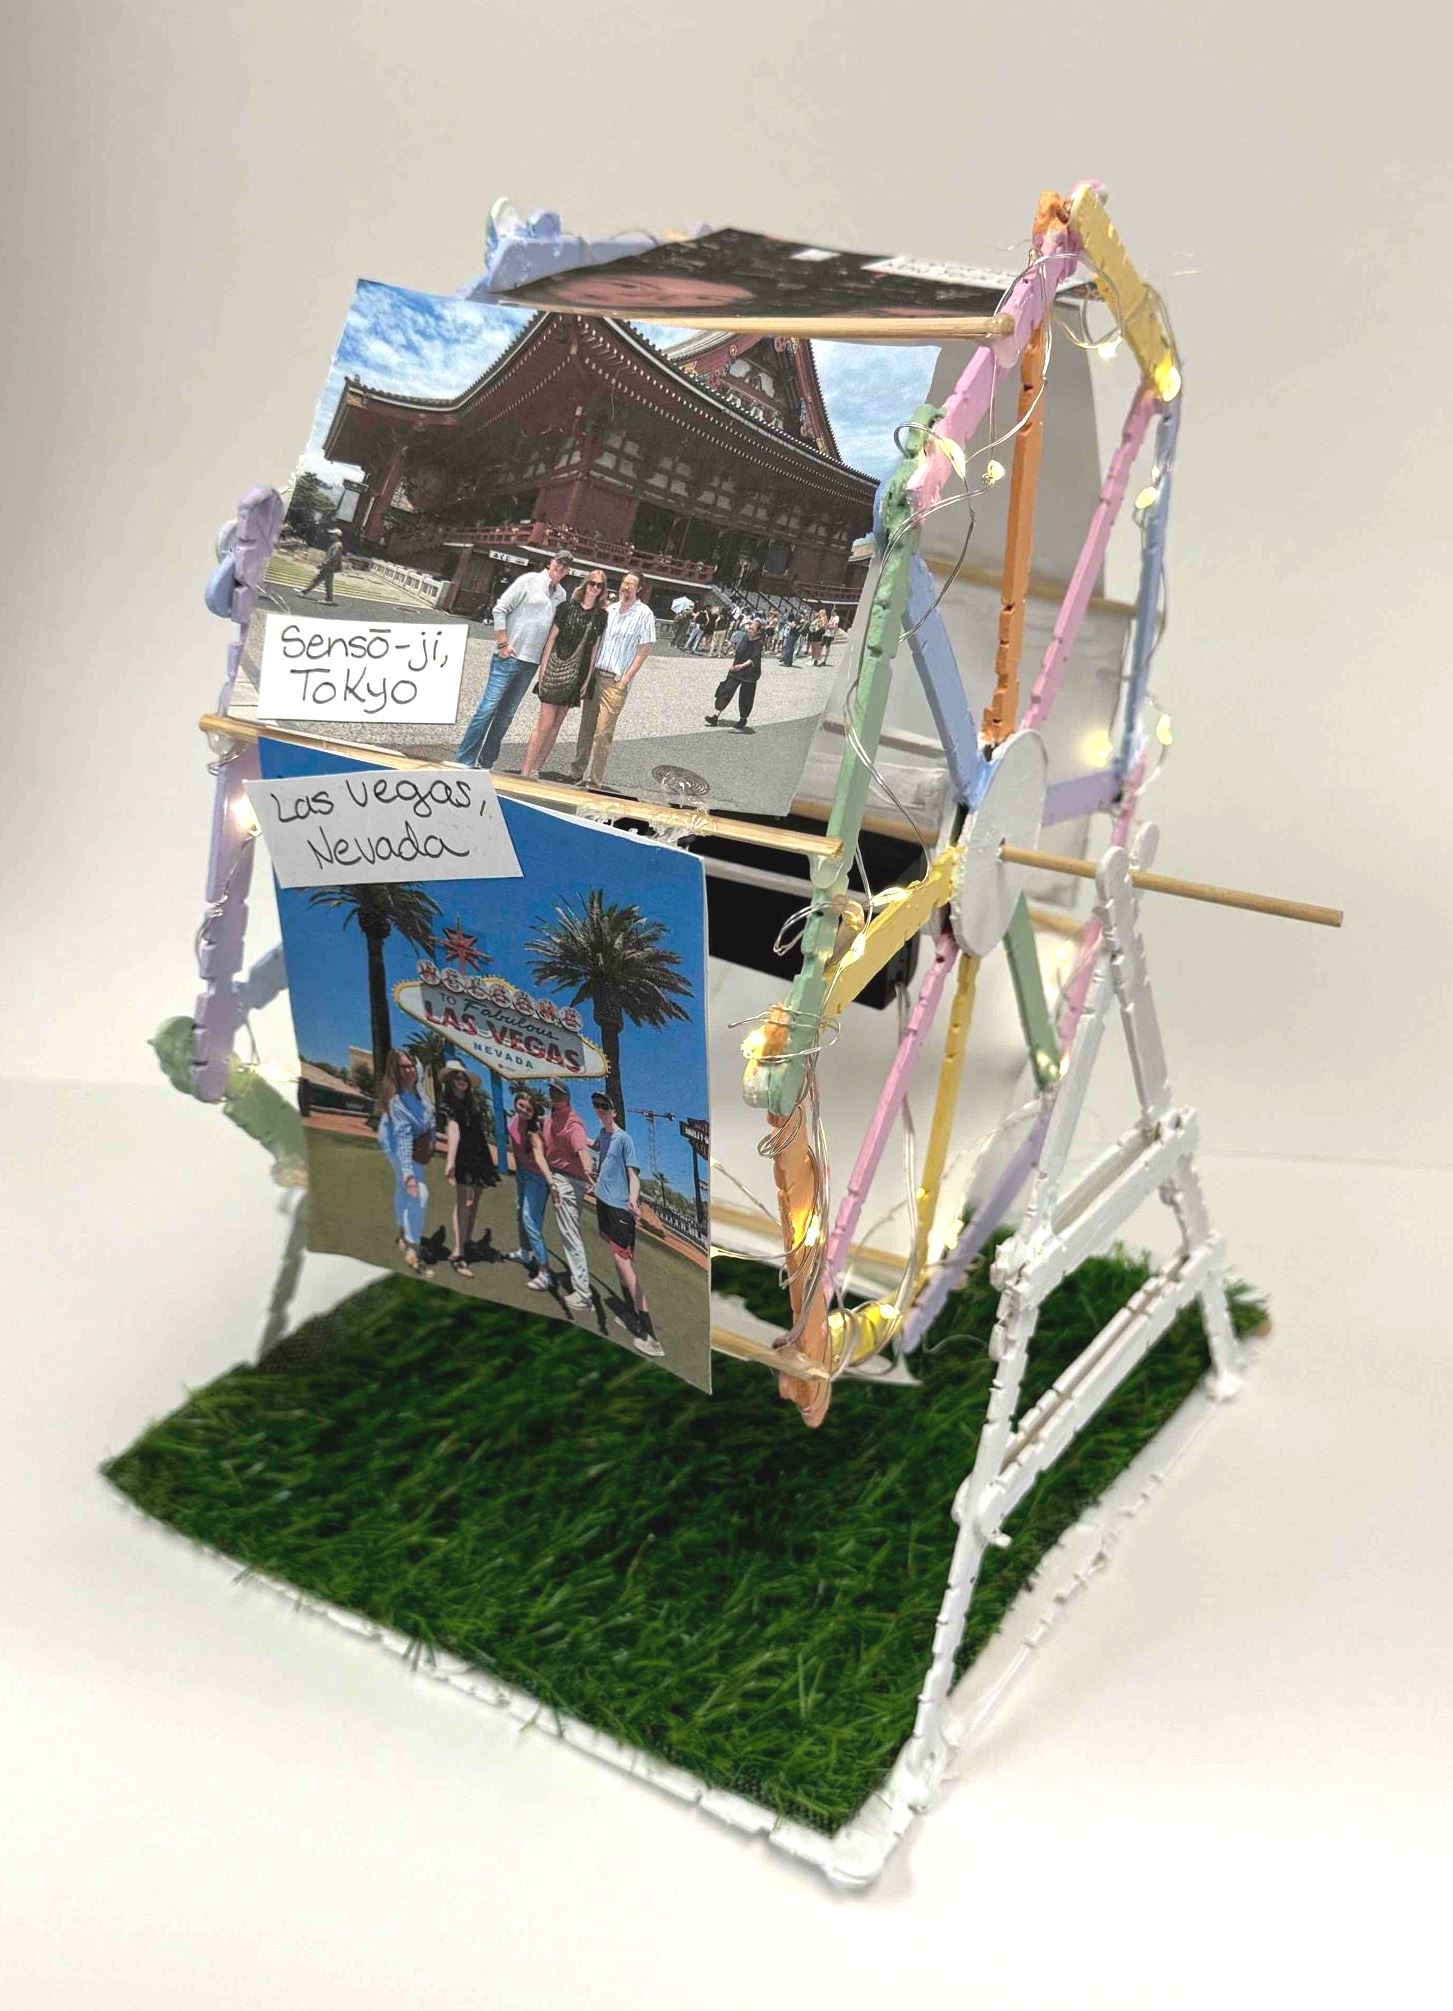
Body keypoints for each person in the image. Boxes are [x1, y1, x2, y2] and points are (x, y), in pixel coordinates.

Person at [456, 551, 571, 769]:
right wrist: (502, 643)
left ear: (567, 571)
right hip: (509, 656)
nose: (560, 568)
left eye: (565, 566)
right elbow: (500, 609)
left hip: (531, 662)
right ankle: (465, 760)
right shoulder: (529, 581)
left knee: (506, 715)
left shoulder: (561, 595)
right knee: (487, 708)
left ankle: (486, 761)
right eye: (558, 563)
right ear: (551, 562)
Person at [586, 1091, 661, 1355]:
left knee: (623, 1262)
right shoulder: (603, 1134)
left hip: (620, 1207)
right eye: (597, 1106)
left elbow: (634, 1175)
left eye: (604, 1106)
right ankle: (630, 1314)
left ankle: (650, 1336)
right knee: (617, 1260)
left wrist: (632, 1200)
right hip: (603, 1202)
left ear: (614, 1111)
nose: (600, 1110)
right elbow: (597, 1146)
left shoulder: (624, 1139)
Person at [518, 571, 609, 780]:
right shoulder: (567, 607)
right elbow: (551, 639)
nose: (595, 588)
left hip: (578, 673)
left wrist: (587, 679)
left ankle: (537, 769)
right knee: (544, 724)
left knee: (555, 726)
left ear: (603, 590)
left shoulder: (601, 616)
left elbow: (594, 649)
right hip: (555, 668)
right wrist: (543, 670)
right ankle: (524, 771)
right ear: (585, 584)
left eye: (599, 586)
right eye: (592, 583)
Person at [569, 571, 656, 789]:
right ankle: (577, 771)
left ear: (639, 589)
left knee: (603, 733)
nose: (626, 587)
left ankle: (594, 780)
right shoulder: (610, 610)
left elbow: (644, 649)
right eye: (624, 582)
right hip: (596, 675)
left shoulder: (644, 614)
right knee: (586, 728)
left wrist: (626, 679)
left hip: (616, 681)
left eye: (631, 584)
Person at [376, 1049, 435, 1274]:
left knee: (402, 1188)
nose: (409, 1070)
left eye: (411, 1065)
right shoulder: (397, 1101)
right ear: (395, 1070)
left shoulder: (419, 1089)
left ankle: (403, 1234)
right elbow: (402, 1138)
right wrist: (408, 1173)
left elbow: (430, 1115)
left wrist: (431, 1139)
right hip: (395, 1145)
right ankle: (413, 1248)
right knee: (418, 1192)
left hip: (415, 1143)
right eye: (403, 1067)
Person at [439, 1059, 499, 1277]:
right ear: (450, 1080)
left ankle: (466, 1241)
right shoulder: (448, 1103)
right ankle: (458, 1253)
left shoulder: (471, 1102)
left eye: (463, 1077)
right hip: (463, 1156)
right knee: (463, 1203)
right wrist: (451, 1160)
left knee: (474, 1203)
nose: (461, 1080)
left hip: (479, 1154)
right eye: (457, 1076)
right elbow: (453, 1130)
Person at [541, 1081, 595, 1312]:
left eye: (560, 1093)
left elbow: (582, 1149)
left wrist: (589, 1170)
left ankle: (583, 1295)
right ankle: (582, 1290)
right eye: (552, 1091)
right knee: (571, 1234)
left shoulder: (573, 1122)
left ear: (568, 1098)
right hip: (562, 1177)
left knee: (570, 1236)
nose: (555, 1095)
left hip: (568, 1182)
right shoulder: (551, 1117)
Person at [506, 1088, 554, 1288]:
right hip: (523, 1173)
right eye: (521, 1105)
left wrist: (551, 1182)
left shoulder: (533, 1134)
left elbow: (540, 1158)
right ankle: (525, 1253)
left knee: (529, 1219)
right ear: (516, 1103)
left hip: (538, 1178)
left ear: (534, 1112)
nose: (524, 1110)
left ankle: (545, 1272)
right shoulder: (513, 1121)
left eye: (528, 1109)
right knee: (520, 1211)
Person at [705, 617, 764, 732]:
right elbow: (739, 652)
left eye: (752, 629)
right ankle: (716, 715)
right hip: (736, 670)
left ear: (758, 631)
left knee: (746, 697)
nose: (749, 630)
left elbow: (754, 659)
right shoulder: (745, 637)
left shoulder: (759, 643)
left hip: (750, 674)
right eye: (749, 627)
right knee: (726, 690)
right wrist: (733, 665)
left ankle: (743, 719)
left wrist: (740, 666)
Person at [299, 526, 345, 604]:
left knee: (328, 583)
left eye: (332, 534)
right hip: (327, 566)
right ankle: (304, 592)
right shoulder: (335, 544)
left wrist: (324, 563)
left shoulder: (338, 545)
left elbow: (333, 557)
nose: (330, 535)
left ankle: (329, 599)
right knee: (317, 580)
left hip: (329, 567)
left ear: (336, 536)